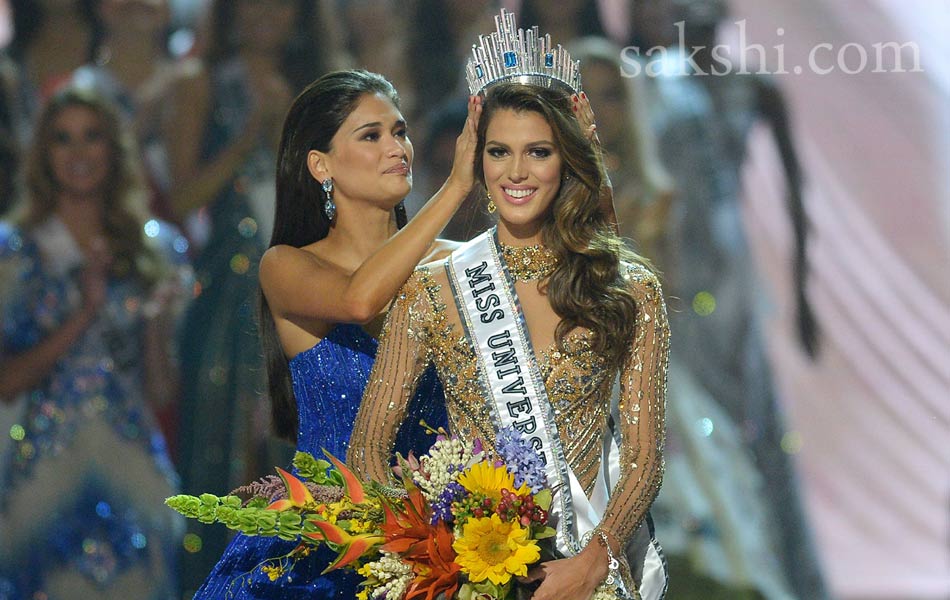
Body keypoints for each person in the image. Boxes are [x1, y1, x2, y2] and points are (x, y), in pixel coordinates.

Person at [349, 21, 670, 598]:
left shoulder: (629, 289)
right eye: (499, 151)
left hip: (584, 573)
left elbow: (644, 458)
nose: (516, 173)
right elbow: (369, 447)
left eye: (538, 152)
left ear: (565, 160)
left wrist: (593, 562)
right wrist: (433, 551)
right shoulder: (433, 290)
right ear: (477, 158)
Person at [192, 69, 481, 598]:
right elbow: (360, 299)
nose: (396, 147)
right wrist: (456, 187)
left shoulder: (460, 266)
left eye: (399, 132)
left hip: (439, 543)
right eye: (370, 135)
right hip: (320, 546)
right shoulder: (285, 266)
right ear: (320, 164)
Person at [165, 0, 338, 588]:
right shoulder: (200, 85)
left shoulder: (322, 89)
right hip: (229, 298)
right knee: (224, 448)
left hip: (315, 291)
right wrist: (249, 137)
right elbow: (183, 198)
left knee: (305, 449)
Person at [0, 87, 188, 599]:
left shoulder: (155, 249)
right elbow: (6, 382)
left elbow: (162, 393)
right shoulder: (13, 255)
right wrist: (83, 313)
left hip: (131, 471)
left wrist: (153, 325)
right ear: (43, 154)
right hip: (42, 478)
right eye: (62, 140)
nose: (78, 153)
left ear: (114, 149)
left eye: (92, 137)